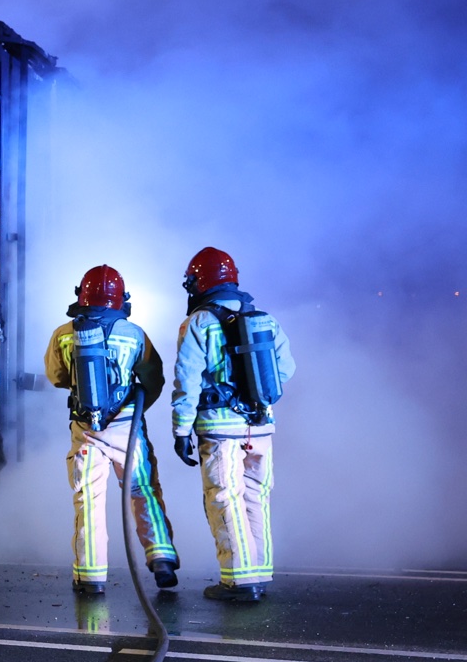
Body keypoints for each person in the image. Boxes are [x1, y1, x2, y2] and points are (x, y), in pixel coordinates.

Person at [170, 247, 296, 603]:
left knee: (225, 499)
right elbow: (286, 370)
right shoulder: (265, 320)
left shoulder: (198, 323)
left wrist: (181, 431)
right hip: (261, 427)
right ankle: (258, 574)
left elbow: (187, 381)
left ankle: (239, 581)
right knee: (257, 497)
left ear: (199, 282)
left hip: (220, 431)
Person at [44, 265, 179, 597]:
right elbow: (154, 379)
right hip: (126, 428)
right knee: (143, 489)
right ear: (121, 299)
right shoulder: (133, 334)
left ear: (82, 296)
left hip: (85, 429)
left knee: (88, 500)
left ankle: (90, 577)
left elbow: (56, 377)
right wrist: (133, 411)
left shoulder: (63, 333)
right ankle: (161, 557)